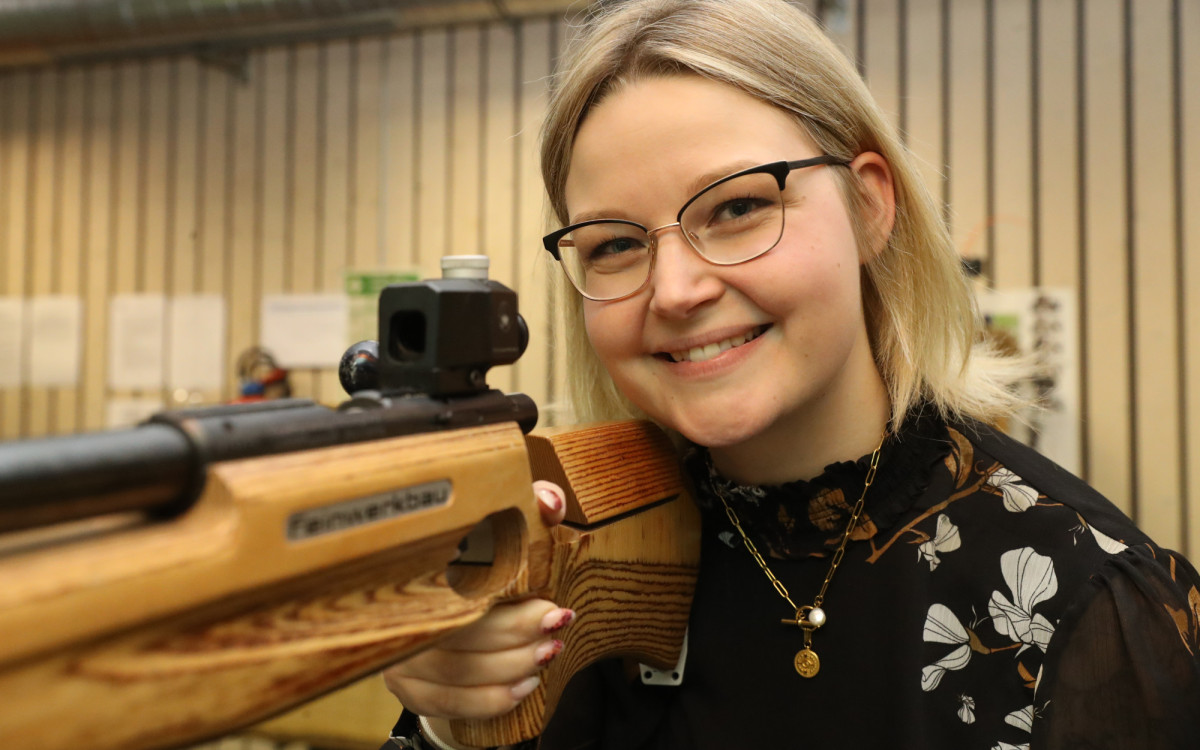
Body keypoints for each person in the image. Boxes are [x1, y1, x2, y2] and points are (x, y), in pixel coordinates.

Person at [380, 0, 1200, 747]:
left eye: (738, 208)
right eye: (615, 244)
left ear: (870, 207)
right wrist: (455, 721)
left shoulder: (1083, 597)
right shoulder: (581, 569)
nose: (675, 291)